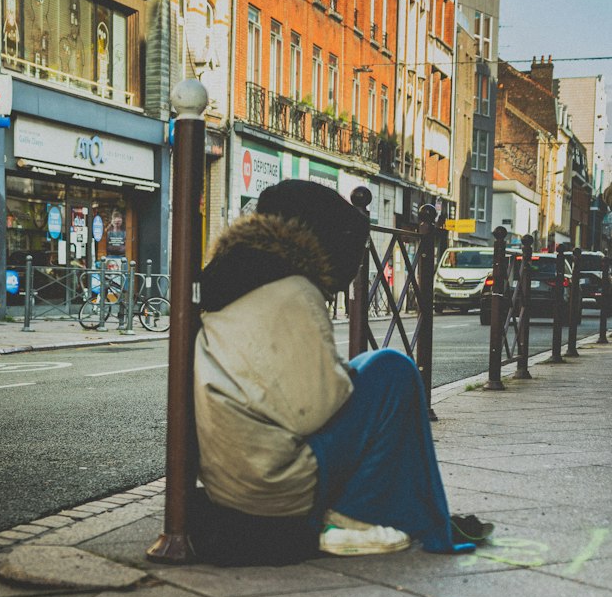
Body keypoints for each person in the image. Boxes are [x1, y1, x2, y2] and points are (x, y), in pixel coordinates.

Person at [193, 180, 491, 562]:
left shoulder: (238, 276)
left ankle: (377, 508)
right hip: (273, 485)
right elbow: (315, 410)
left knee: (370, 370)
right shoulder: (293, 289)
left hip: (232, 475)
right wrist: (349, 383)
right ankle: (352, 517)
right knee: (394, 371)